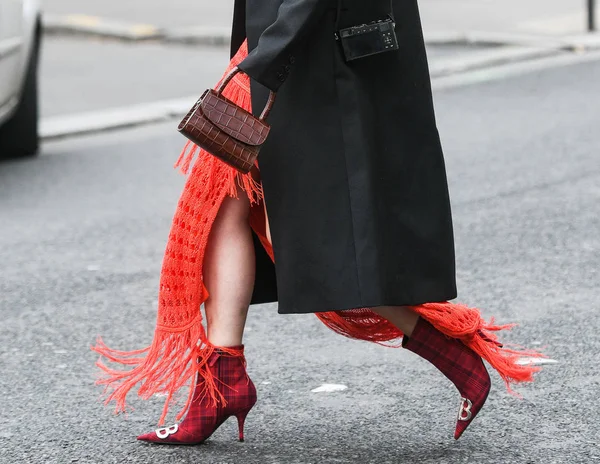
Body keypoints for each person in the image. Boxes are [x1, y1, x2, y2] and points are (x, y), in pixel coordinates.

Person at [93, 0, 542, 445]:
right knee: (226, 200)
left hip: (311, 43)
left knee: (315, 239)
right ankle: (222, 375)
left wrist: (270, 52)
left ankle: (450, 352)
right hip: (295, 38)